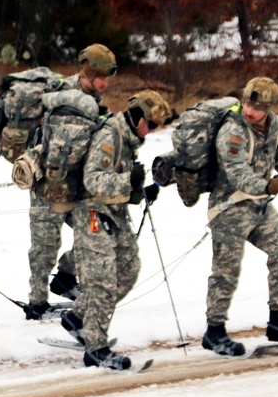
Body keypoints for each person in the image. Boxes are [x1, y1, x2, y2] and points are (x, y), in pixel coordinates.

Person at [200, 77, 278, 356]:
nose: (249, 110)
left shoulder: (273, 129)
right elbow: (236, 172)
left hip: (259, 207)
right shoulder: (232, 131)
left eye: (257, 106)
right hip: (230, 209)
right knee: (226, 272)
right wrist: (265, 186)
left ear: (269, 108)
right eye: (247, 103)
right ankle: (214, 331)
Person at [60, 90, 173, 370]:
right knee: (102, 281)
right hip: (92, 214)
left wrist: (138, 189)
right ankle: (96, 349)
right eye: (151, 124)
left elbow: (117, 180)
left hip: (115, 213)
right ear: (137, 117)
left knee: (129, 268)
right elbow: (94, 180)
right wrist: (128, 180)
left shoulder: (128, 138)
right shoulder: (110, 135)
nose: (152, 131)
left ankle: (78, 317)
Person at [25, 43, 118, 319]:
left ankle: (66, 276)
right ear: (88, 72)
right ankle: (36, 301)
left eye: (107, 78)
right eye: (100, 77)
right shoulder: (62, 95)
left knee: (97, 233)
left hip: (79, 186)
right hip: (48, 183)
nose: (104, 83)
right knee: (45, 244)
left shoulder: (94, 101)